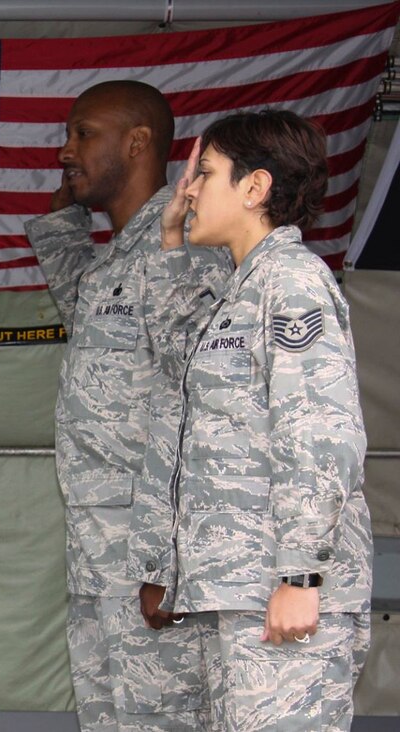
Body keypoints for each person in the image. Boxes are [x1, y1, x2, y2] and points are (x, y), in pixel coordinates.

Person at [25, 80, 230, 730]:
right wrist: (63, 228)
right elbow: (93, 324)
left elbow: (208, 406)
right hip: (99, 546)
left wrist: (172, 558)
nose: (65, 150)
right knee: (109, 715)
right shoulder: (126, 253)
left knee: (161, 716)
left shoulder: (187, 246)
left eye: (83, 133)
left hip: (149, 550)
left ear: (139, 142)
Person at [161, 110, 371, 731]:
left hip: (279, 590)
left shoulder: (293, 284)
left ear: (254, 189)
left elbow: (319, 432)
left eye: (204, 173)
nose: (189, 190)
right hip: (239, 590)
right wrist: (172, 244)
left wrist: (301, 574)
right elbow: (175, 359)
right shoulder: (242, 288)